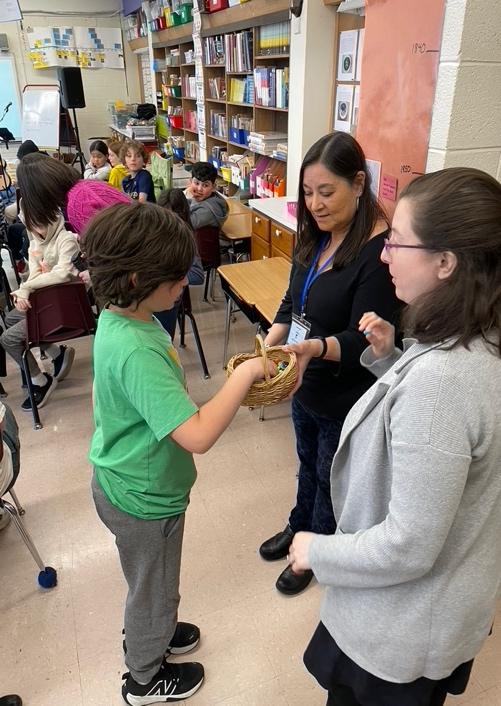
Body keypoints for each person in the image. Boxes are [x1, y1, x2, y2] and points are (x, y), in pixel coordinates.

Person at [287, 166, 501, 706]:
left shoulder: (442, 382)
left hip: (404, 623)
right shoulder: (480, 341)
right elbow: (448, 436)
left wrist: (318, 549)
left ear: (446, 263)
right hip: (447, 604)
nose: (384, 256)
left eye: (397, 243)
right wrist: (391, 362)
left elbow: (408, 546)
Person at [84, 202, 276, 705]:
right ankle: (144, 678)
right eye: (175, 277)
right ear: (135, 278)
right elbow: (195, 435)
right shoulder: (137, 348)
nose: (184, 283)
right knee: (153, 587)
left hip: (124, 478)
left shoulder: (119, 319)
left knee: (151, 581)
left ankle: (156, 628)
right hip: (145, 497)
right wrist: (243, 375)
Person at [259, 132, 401, 595]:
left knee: (328, 474)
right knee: (305, 463)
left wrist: (312, 349)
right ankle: (297, 526)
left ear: (358, 184)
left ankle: (314, 551)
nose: (315, 204)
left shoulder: (375, 257)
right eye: (307, 192)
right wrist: (273, 342)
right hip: (304, 381)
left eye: (326, 192)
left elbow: (360, 337)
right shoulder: (314, 239)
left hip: (344, 391)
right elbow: (291, 302)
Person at [0, 153, 80, 411]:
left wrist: (28, 287)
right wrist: (25, 290)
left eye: (38, 222)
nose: (34, 228)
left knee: (9, 339)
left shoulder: (65, 239)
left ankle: (39, 380)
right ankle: (57, 354)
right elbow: (34, 272)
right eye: (29, 224)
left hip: (61, 308)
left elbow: (62, 274)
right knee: (13, 318)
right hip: (47, 303)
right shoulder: (37, 242)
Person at [155, 188, 204, 338]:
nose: (168, 221)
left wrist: (168, 274)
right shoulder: (152, 232)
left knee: (161, 341)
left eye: (173, 216)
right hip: (150, 294)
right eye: (164, 215)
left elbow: (197, 275)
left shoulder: (184, 237)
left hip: (167, 296)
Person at [184, 161, 228, 230]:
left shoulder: (208, 210)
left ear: (213, 187)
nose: (199, 189)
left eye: (205, 185)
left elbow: (182, 225)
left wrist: (189, 195)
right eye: (196, 183)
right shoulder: (206, 197)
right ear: (190, 181)